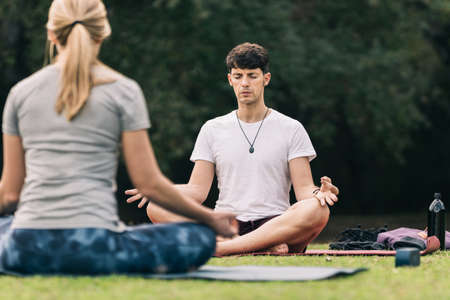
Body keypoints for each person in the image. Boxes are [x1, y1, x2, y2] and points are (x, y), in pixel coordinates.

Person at [0, 0, 236, 275]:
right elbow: (149, 185)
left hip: (26, 248)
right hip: (97, 246)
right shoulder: (123, 91)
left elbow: (9, 194)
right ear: (103, 32)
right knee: (199, 237)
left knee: (6, 226)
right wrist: (209, 218)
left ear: (51, 34)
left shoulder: (20, 93)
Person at [126, 42, 339, 256]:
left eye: (252, 76)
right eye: (238, 76)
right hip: (227, 225)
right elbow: (197, 191)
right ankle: (254, 246)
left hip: (275, 224)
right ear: (230, 80)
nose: (244, 83)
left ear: (266, 79)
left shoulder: (291, 128)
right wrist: (158, 190)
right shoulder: (212, 128)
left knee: (317, 209)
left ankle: (223, 249)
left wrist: (318, 194)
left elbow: (304, 191)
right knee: (156, 206)